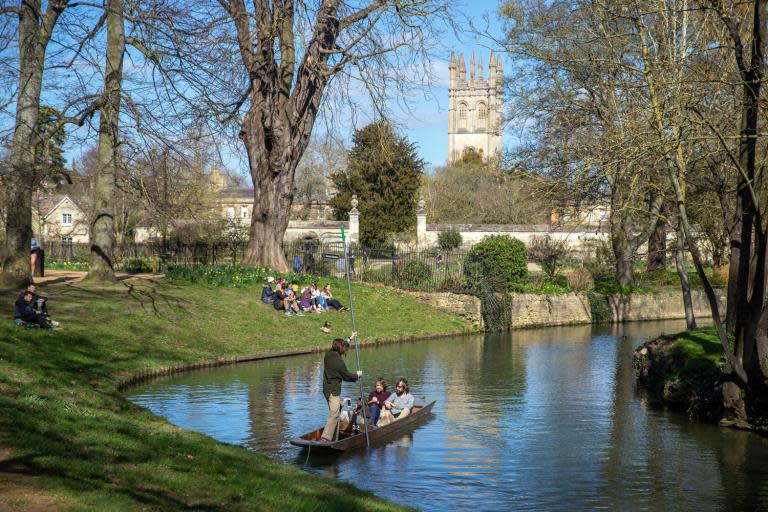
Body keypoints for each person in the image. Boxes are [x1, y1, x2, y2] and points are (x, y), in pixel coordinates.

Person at [321, 335, 362, 442]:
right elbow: (347, 376)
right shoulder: (339, 363)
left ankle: (334, 436)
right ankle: (325, 438)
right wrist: (357, 375)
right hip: (333, 391)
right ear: (340, 349)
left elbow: (342, 344)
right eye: (344, 347)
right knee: (334, 414)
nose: (345, 349)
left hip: (326, 389)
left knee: (337, 411)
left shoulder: (328, 354)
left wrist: (350, 338)